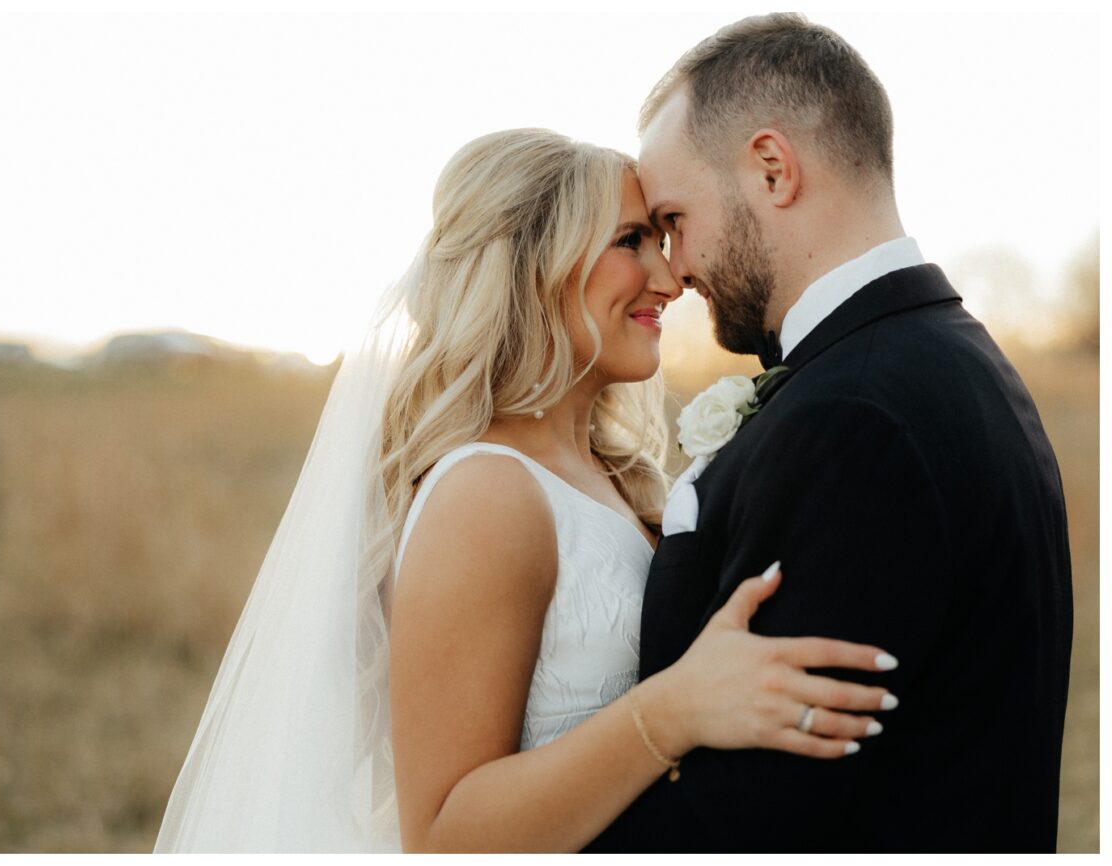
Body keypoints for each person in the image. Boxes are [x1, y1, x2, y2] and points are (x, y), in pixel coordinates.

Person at [157, 128, 895, 853]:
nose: (670, 282)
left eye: (663, 244)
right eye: (631, 241)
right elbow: (446, 837)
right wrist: (671, 713)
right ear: (536, 267)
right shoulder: (486, 493)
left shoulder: (603, 472)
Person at [588, 14, 1071, 852]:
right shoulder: (955, 360)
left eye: (673, 218)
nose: (673, 266)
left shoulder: (852, 423)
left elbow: (753, 826)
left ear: (772, 169)